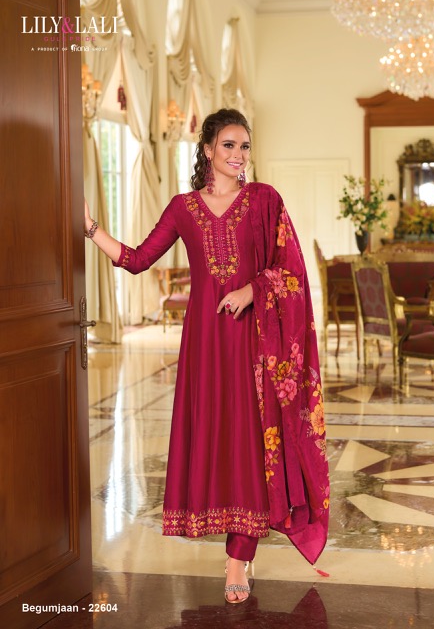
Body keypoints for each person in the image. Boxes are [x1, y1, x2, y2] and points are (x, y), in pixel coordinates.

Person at [85, 108, 329, 604]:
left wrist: (253, 289)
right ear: (208, 150)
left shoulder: (265, 200)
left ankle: (238, 558)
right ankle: (234, 544)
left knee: (252, 443)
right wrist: (90, 229)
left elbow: (292, 271)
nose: (238, 155)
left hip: (255, 344)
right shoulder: (183, 208)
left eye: (245, 146)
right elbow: (137, 259)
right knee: (219, 441)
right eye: (229, 146)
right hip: (205, 345)